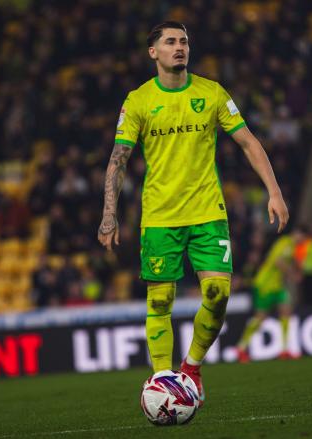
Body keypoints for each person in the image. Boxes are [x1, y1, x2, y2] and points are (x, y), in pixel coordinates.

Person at [97, 21, 289, 406]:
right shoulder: (137, 101)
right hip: (159, 217)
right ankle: (163, 378)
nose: (179, 47)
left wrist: (274, 191)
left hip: (207, 212)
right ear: (153, 52)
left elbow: (248, 142)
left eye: (184, 41)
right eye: (170, 42)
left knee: (218, 295)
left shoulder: (212, 92)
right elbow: (118, 159)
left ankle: (192, 367)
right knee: (159, 302)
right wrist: (109, 213)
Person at [235, 234, 298, 363]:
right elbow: (277, 261)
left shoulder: (291, 246)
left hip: (277, 286)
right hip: (265, 285)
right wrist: (292, 273)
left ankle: (285, 350)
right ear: (299, 234)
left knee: (286, 311)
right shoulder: (285, 243)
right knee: (260, 317)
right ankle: (241, 348)